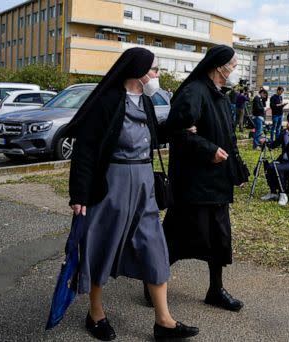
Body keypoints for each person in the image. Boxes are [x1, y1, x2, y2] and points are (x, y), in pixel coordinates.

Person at [65, 48, 198, 341]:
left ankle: (164, 322)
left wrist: (179, 129)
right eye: (154, 70)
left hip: (144, 185)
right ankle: (95, 313)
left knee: (154, 247)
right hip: (111, 185)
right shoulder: (108, 101)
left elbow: (152, 135)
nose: (157, 75)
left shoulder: (147, 103)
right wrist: (79, 194)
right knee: (102, 247)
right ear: (138, 71)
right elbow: (86, 150)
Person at [162, 44, 246, 312]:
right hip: (194, 184)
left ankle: (215, 289)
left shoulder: (220, 95)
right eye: (232, 64)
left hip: (217, 183)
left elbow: (227, 136)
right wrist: (209, 150)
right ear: (218, 66)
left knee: (219, 240)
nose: (234, 69)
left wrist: (237, 167)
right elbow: (176, 133)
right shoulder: (193, 92)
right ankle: (152, 281)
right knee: (176, 239)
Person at [260, 111, 289, 206]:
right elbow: (274, 144)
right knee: (269, 166)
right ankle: (273, 192)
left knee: (277, 168)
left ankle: (283, 194)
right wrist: (266, 142)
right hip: (284, 160)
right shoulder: (283, 133)